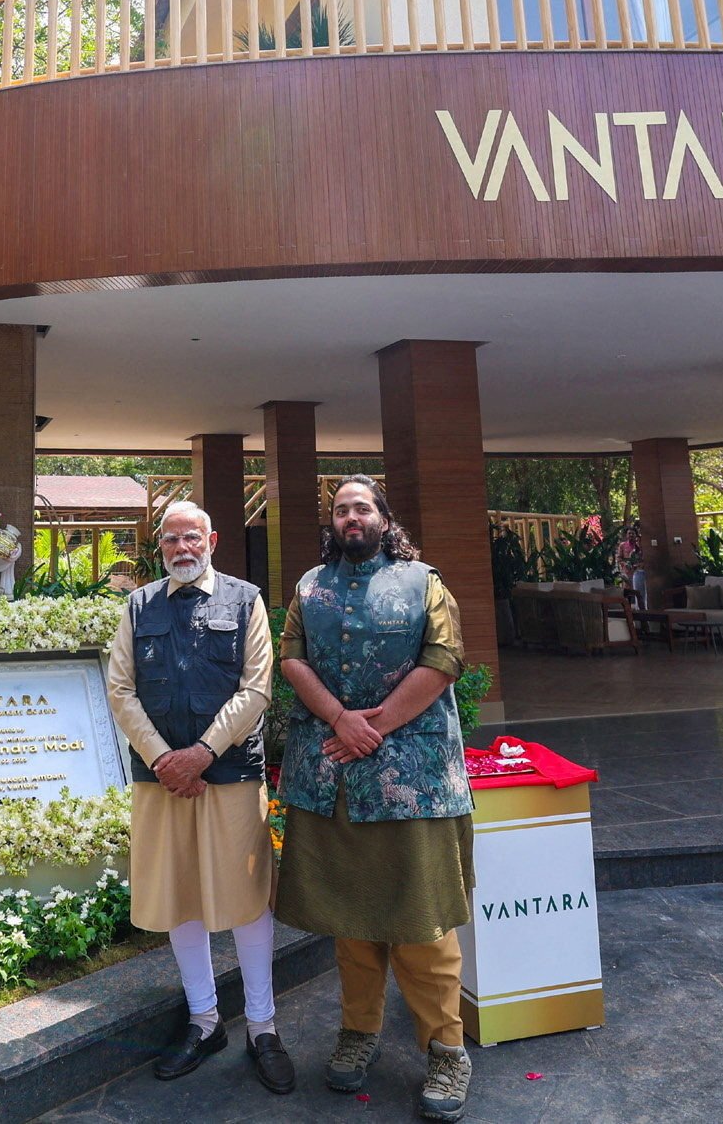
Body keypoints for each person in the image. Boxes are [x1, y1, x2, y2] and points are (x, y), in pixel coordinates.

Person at [276, 477, 475, 1122]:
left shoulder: (424, 581)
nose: (351, 516)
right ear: (331, 523)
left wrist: (375, 725)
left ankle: (446, 1049)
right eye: (341, 509)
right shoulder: (310, 586)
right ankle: (358, 1031)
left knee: (422, 922)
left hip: (411, 781)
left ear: (384, 518)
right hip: (332, 775)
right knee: (352, 924)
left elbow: (445, 658)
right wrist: (341, 719)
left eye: (362, 507)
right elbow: (292, 659)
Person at [103, 500, 295, 1094]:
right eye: (170, 541)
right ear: (158, 547)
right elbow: (119, 688)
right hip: (160, 779)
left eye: (192, 538)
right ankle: (205, 1019)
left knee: (246, 900)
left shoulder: (246, 600)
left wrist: (202, 754)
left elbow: (257, 687)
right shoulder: (138, 606)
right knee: (181, 893)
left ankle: (262, 1027)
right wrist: (164, 759)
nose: (182, 549)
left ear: (212, 539)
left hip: (231, 773)